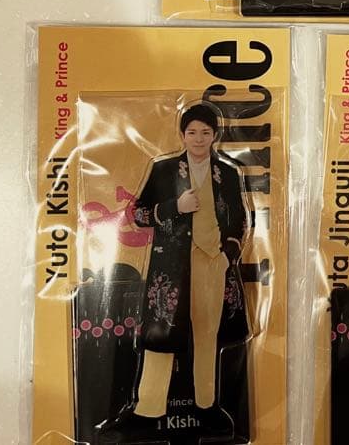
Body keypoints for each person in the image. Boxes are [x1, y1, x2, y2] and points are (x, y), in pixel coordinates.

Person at [99, 103, 252, 439]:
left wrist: (228, 254)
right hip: (171, 267)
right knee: (161, 335)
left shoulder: (227, 173)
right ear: (182, 135)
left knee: (208, 335)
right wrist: (174, 207)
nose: (198, 138)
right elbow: (138, 215)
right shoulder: (164, 169)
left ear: (214, 135)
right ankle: (147, 410)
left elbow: (240, 219)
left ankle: (206, 405)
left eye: (205, 132)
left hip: (213, 263)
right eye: (192, 132)